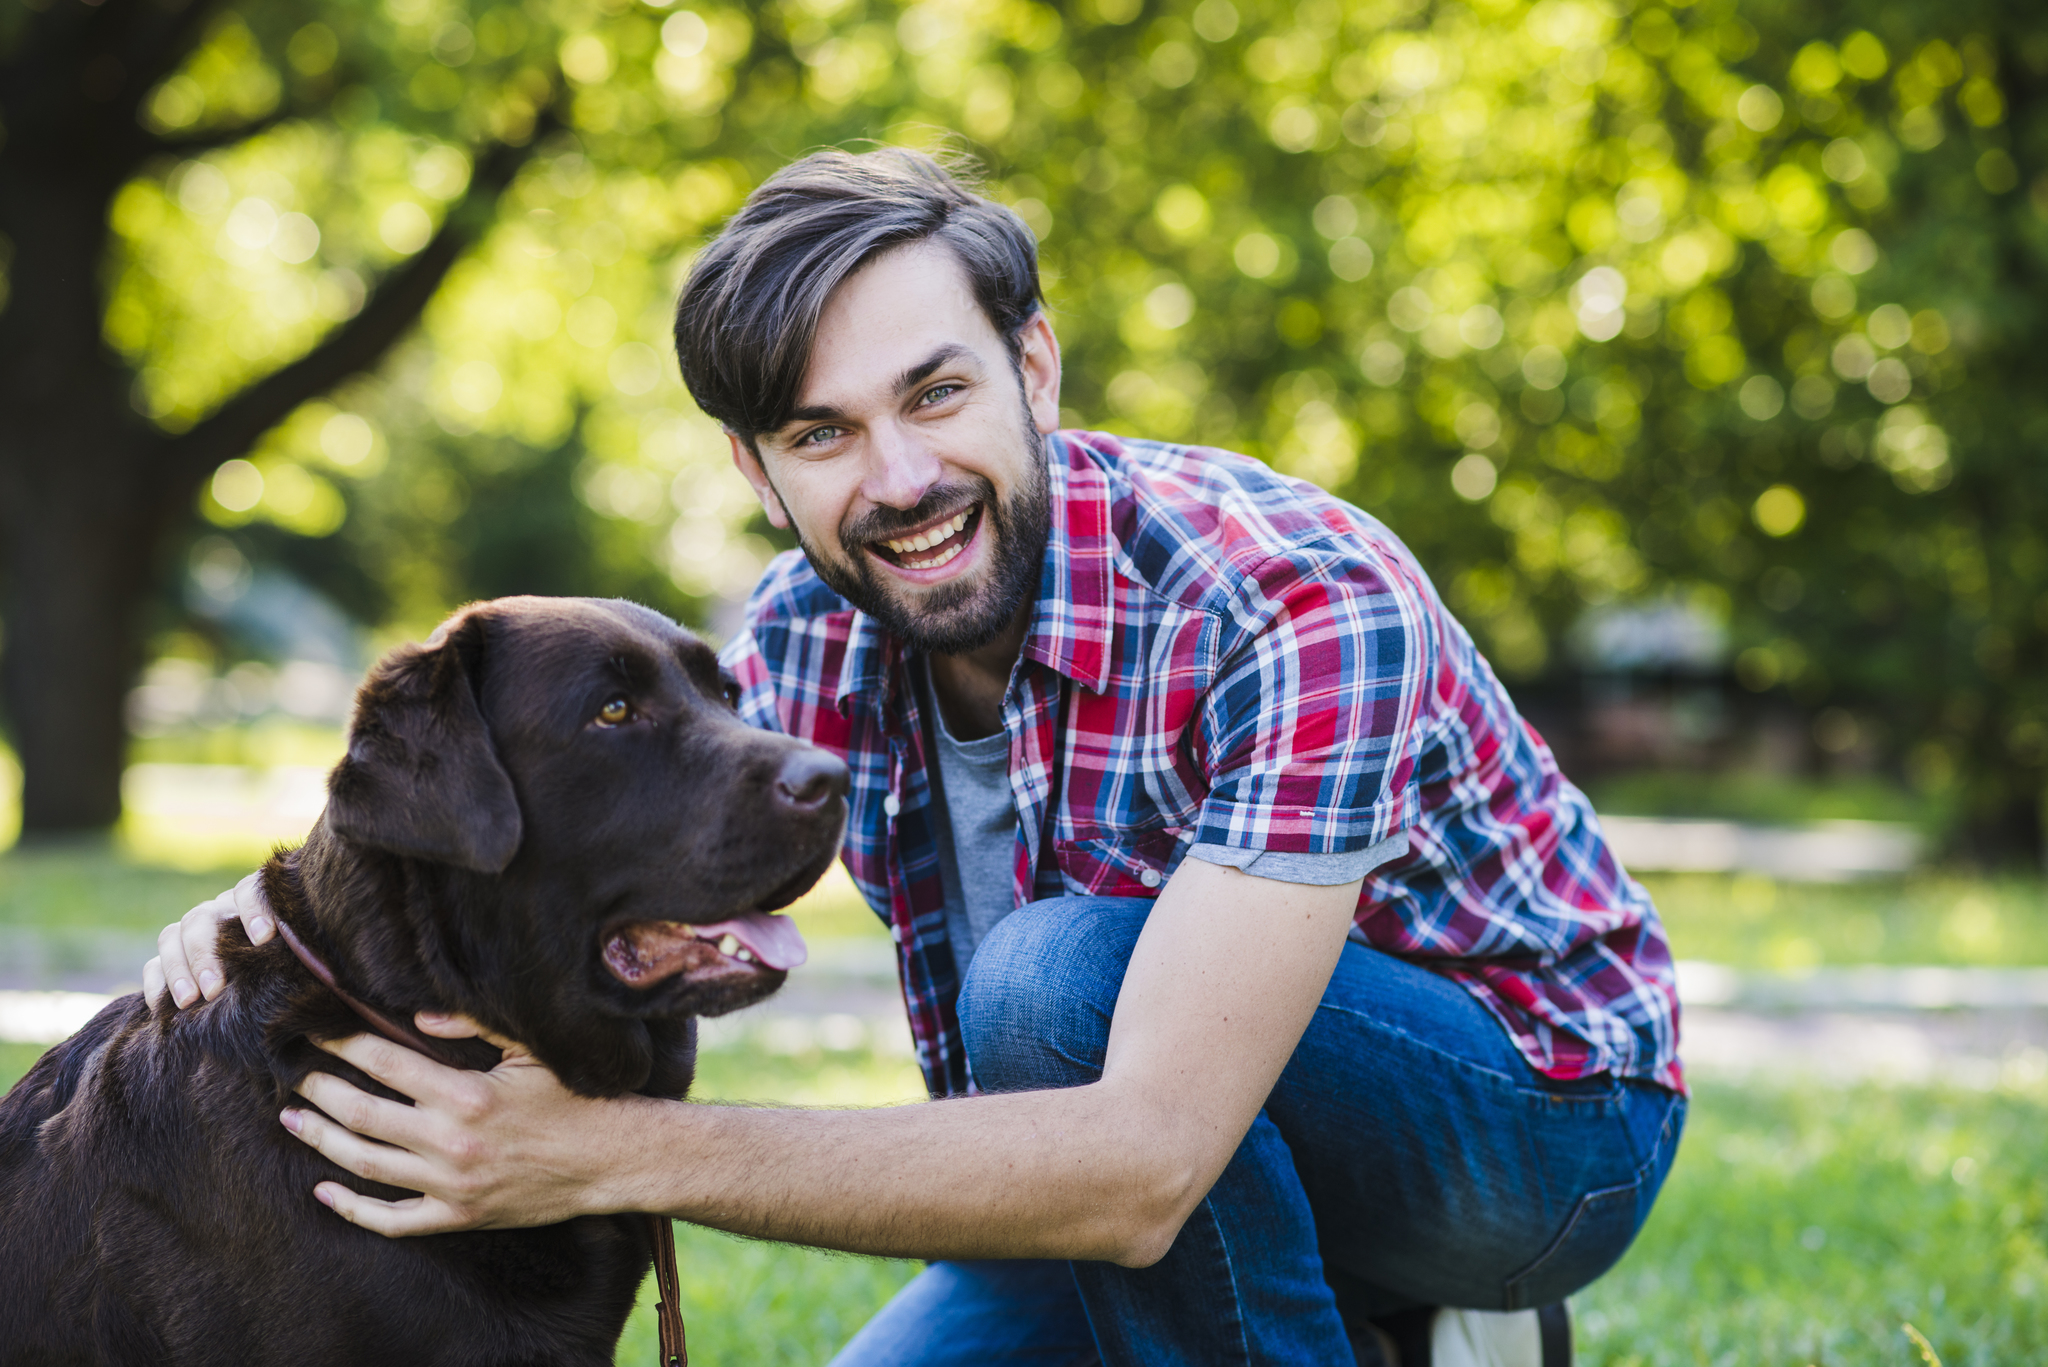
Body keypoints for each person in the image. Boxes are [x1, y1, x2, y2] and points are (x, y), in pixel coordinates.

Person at [149, 148, 1685, 1366]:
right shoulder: (807, 632)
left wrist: (605, 1154)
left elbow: (1143, 1157)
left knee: (1051, 979)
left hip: (1534, 1132)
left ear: (1037, 366)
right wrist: (280, 904)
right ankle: (1370, 1329)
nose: (898, 481)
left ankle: (1412, 1297)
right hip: (1136, 1161)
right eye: (821, 435)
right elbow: (563, 801)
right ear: (756, 472)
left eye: (936, 393)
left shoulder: (1289, 598)